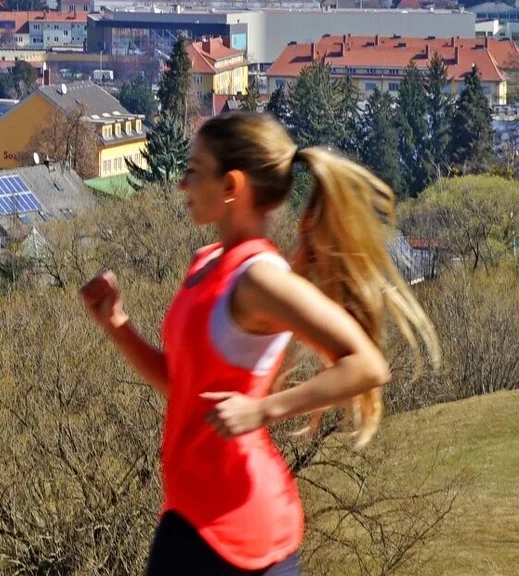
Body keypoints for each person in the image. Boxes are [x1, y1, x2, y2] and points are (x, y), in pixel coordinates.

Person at [78, 112, 439, 575]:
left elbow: (368, 365)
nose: (181, 185)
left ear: (231, 186)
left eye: (193, 171)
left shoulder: (261, 280)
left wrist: (261, 410)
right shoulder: (206, 263)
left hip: (239, 530)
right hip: (192, 511)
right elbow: (182, 386)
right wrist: (117, 324)